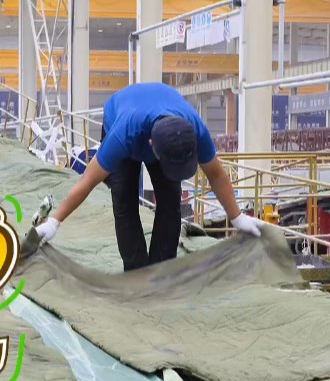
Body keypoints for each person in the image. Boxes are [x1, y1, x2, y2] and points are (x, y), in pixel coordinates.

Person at [34, 82, 264, 271]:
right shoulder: (123, 135)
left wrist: (237, 218)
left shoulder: (195, 130)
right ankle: (136, 274)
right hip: (122, 113)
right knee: (124, 201)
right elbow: (87, 182)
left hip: (161, 120)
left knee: (170, 202)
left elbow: (217, 175)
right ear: (152, 146)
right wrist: (54, 222)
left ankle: (161, 274)